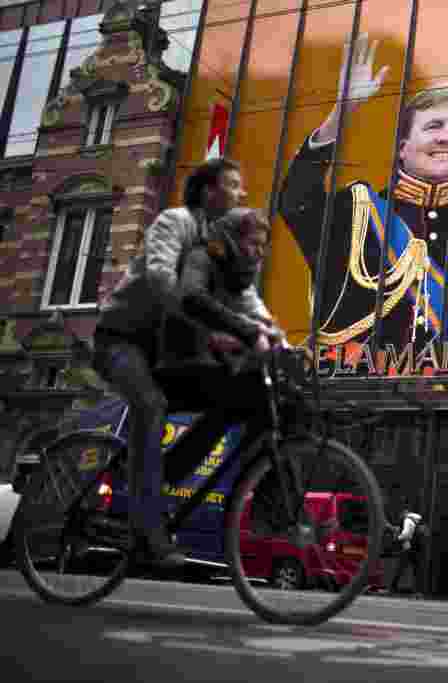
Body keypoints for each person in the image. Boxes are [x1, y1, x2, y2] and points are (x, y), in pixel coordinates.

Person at [280, 34, 448, 371]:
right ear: (403, 147)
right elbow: (295, 201)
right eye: (434, 126)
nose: (447, 136)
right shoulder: (358, 210)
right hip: (357, 397)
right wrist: (342, 112)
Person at [92, 159, 283, 566]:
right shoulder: (173, 222)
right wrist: (210, 331)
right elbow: (163, 282)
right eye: (233, 185)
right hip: (124, 341)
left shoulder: (216, 244)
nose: (241, 193)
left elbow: (246, 299)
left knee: (227, 396)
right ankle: (148, 531)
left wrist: (277, 334)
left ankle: (169, 473)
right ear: (208, 191)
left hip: (166, 353)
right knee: (151, 406)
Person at [389, 506, 423, 594]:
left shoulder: (408, 520)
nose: (400, 517)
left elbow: (406, 534)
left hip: (409, 548)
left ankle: (393, 587)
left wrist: (397, 538)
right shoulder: (414, 521)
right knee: (416, 569)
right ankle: (417, 589)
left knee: (401, 568)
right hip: (415, 548)